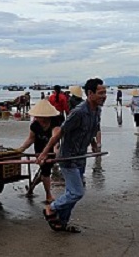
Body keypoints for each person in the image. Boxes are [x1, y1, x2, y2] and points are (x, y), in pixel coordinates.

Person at [39, 78, 106, 233]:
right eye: (100, 93)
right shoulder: (79, 112)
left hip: (80, 157)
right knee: (77, 192)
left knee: (71, 193)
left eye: (105, 93)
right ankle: (51, 207)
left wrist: (94, 145)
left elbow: (93, 129)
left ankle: (61, 222)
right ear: (90, 93)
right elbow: (60, 132)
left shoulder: (97, 110)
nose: (104, 96)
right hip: (67, 157)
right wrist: (44, 152)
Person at [17, 100, 62, 204]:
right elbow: (31, 139)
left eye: (39, 117)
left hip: (51, 150)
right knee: (45, 172)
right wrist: (21, 149)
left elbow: (55, 138)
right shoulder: (35, 125)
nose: (37, 118)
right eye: (36, 116)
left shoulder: (55, 122)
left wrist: (56, 151)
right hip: (39, 149)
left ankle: (31, 188)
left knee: (44, 171)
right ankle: (48, 195)